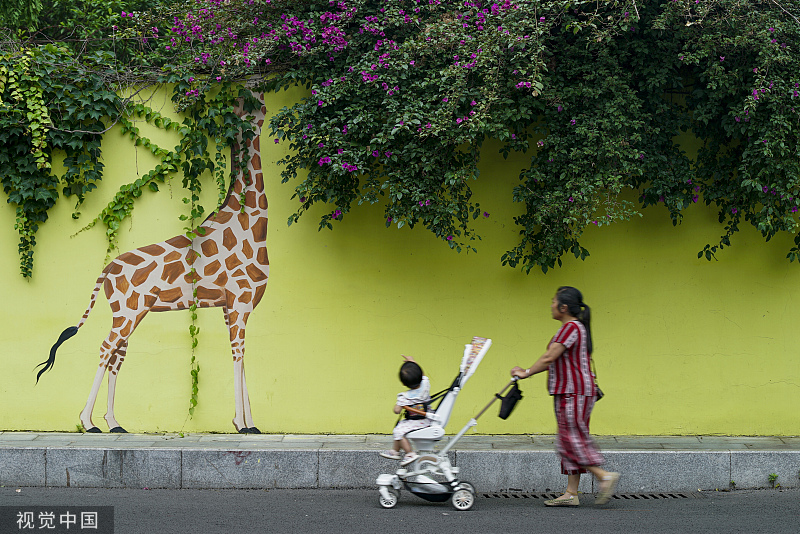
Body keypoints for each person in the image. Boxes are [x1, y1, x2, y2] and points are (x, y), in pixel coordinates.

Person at [511, 286, 620, 507]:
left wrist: (526, 372)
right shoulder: (573, 328)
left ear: (563, 307)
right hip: (572, 391)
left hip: (573, 391)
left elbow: (550, 356)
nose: (550, 305)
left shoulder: (570, 327)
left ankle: (603, 476)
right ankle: (571, 493)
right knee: (572, 436)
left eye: (553, 301)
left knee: (569, 440)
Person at [380, 354, 431, 466]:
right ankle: (395, 451)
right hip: (427, 418)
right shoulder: (425, 385)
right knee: (400, 427)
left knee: (398, 431)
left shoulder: (405, 397)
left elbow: (397, 410)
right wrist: (413, 362)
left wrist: (397, 406)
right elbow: (422, 375)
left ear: (403, 383)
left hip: (416, 421)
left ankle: (409, 453)